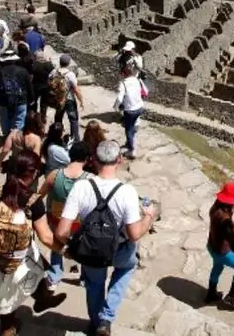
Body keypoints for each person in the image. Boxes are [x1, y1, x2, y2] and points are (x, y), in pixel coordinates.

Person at [55, 140, 157, 336]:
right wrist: (149, 215)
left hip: (91, 249)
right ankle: (106, 318)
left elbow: (61, 232)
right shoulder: (127, 192)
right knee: (127, 266)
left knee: (94, 284)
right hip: (119, 250)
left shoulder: (81, 187)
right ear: (119, 160)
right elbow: (135, 234)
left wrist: (71, 247)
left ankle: (95, 323)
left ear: (93, 160)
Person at [0, 150, 67, 336]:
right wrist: (67, 249)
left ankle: (42, 298)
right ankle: (8, 328)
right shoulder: (33, 201)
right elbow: (45, 237)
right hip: (14, 261)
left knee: (38, 265)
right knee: (14, 287)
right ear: (34, 173)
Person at [37, 140, 92, 290]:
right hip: (80, 224)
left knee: (56, 247)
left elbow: (38, 196)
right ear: (87, 159)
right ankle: (85, 279)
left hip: (56, 221)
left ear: (70, 155)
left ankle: (55, 276)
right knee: (85, 250)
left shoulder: (54, 175)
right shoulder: (90, 180)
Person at [206, 182, 234, 311]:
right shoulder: (225, 219)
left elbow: (230, 197)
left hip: (212, 246)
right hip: (223, 252)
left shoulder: (215, 207)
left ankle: (211, 293)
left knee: (217, 266)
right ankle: (232, 297)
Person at [0, 50, 32, 141]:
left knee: (4, 119)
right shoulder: (23, 71)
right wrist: (31, 98)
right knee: (19, 119)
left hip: (3, 100)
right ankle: (16, 138)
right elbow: (29, 86)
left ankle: (6, 136)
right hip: (21, 99)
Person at [113, 64, 146, 160]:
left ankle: (132, 151)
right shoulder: (136, 80)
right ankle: (129, 142)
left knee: (128, 130)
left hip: (130, 110)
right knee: (134, 125)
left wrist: (116, 107)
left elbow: (119, 98)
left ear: (123, 74)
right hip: (140, 107)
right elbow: (139, 92)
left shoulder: (123, 83)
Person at [52, 54, 85, 139]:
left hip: (58, 98)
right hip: (69, 99)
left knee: (58, 118)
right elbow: (76, 89)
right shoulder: (70, 74)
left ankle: (56, 136)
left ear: (60, 62)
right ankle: (74, 139)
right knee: (73, 120)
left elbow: (49, 83)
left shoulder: (53, 72)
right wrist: (81, 100)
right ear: (68, 63)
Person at [30, 51, 55, 119]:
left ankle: (33, 117)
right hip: (46, 87)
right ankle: (43, 117)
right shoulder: (49, 65)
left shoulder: (34, 65)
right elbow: (53, 76)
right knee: (44, 103)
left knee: (34, 102)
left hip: (35, 87)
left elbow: (31, 77)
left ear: (37, 57)